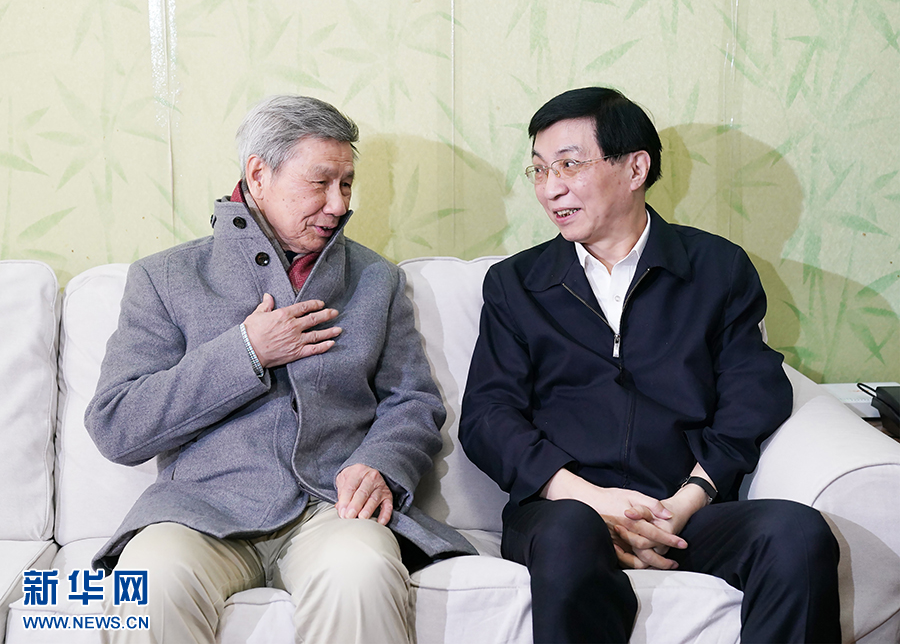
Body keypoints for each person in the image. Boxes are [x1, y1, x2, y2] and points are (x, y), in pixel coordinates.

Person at [85, 94, 474, 644]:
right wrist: (247, 351)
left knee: (362, 571)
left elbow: (412, 402)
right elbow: (117, 425)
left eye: (346, 184)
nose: (338, 205)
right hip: (199, 511)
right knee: (149, 581)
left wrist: (381, 465)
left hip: (331, 508)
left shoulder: (375, 279)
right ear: (258, 175)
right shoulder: (165, 278)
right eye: (320, 183)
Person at [459, 87, 841, 644]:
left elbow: (753, 396)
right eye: (539, 170)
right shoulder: (516, 284)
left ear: (636, 168)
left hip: (684, 509)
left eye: (569, 165)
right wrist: (592, 499)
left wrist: (685, 502)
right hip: (562, 511)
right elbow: (488, 416)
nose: (550, 188)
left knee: (797, 534)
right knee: (570, 534)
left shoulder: (717, 269)